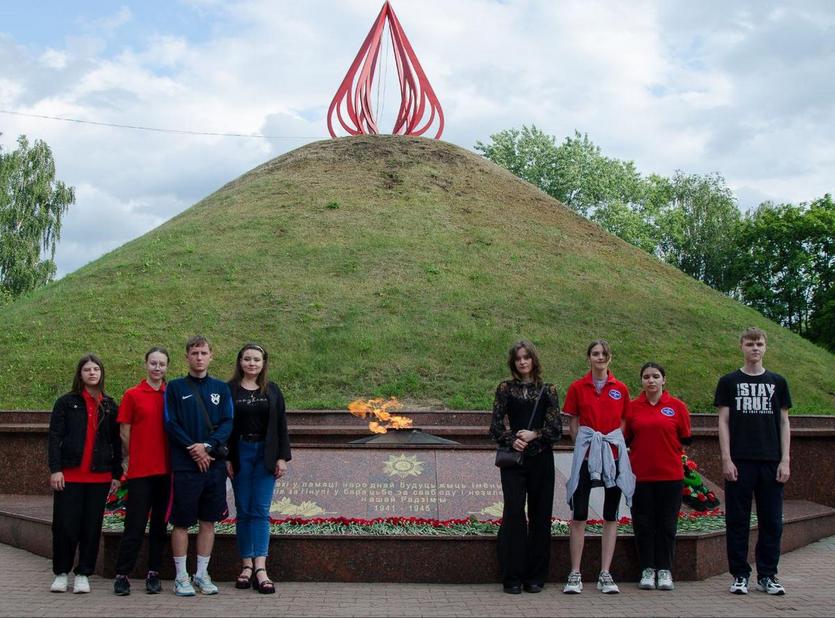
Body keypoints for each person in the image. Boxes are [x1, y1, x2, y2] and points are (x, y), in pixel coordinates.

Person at [715, 327, 791, 596]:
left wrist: (786, 460)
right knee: (738, 520)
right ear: (741, 347)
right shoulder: (729, 382)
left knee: (772, 521)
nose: (755, 348)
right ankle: (739, 574)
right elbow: (723, 422)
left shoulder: (777, 382)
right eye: (750, 344)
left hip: (771, 461)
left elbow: (784, 422)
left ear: (765, 347)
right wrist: (726, 458)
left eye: (759, 344)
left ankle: (768, 575)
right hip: (740, 460)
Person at [489, 340, 562, 594]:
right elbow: (495, 426)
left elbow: (556, 430)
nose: (522, 362)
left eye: (526, 357)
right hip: (514, 461)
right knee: (514, 514)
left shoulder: (548, 390)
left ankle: (536, 576)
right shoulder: (505, 389)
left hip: (541, 458)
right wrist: (514, 440)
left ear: (534, 360)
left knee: (541, 516)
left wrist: (533, 435)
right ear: (513, 362)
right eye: (518, 358)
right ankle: (512, 576)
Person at [562, 339, 634, 594]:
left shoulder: (620, 389)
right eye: (595, 354)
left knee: (610, 512)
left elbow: (625, 419)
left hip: (612, 456)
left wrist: (614, 443)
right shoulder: (578, 387)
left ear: (610, 358)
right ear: (589, 358)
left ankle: (605, 572)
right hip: (586, 455)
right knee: (580, 511)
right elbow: (573, 420)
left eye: (604, 354)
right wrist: (582, 444)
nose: (600, 358)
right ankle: (575, 572)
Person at [164, 335, 233, 596]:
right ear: (187, 357)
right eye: (194, 353)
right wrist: (193, 448)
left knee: (208, 521)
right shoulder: (175, 387)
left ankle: (201, 574)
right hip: (185, 465)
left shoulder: (221, 389)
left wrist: (207, 446)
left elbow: (228, 422)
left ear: (211, 356)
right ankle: (181, 577)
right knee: (181, 522)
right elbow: (171, 422)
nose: (199, 357)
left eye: (204, 353)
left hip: (213, 464)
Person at [47, 354, 122, 593]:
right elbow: (54, 438)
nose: (92, 373)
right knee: (65, 526)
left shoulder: (109, 405)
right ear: (80, 374)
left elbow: (116, 443)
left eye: (96, 369)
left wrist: (116, 474)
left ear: (101, 374)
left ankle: (83, 573)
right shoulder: (66, 403)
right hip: (70, 476)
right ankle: (61, 572)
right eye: (87, 369)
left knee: (91, 527)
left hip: (99, 476)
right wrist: (56, 469)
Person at [226, 343, 291, 594]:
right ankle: (246, 565)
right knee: (243, 509)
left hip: (265, 454)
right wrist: (227, 458)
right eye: (247, 359)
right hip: (240, 452)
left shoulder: (272, 390)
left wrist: (282, 457)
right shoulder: (229, 389)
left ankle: (261, 567)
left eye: (256, 360)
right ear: (240, 362)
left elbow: (281, 425)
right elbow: (224, 425)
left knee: (261, 510)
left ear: (263, 363)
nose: (251, 363)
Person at [623, 362, 692, 591]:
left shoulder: (677, 407)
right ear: (641, 381)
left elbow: (684, 437)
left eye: (655, 376)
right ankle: (647, 569)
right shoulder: (632, 408)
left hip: (670, 476)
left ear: (664, 380)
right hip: (641, 476)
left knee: (666, 525)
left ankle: (664, 570)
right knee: (643, 524)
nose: (651, 380)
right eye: (646, 377)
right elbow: (627, 439)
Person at [112, 347, 171, 596]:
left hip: (167, 470)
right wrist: (129, 457)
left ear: (167, 367)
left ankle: (153, 573)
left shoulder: (171, 394)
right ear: (146, 364)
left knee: (159, 525)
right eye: (153, 363)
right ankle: (122, 574)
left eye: (162, 364)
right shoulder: (132, 394)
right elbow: (124, 430)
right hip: (140, 471)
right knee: (134, 525)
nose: (157, 368)